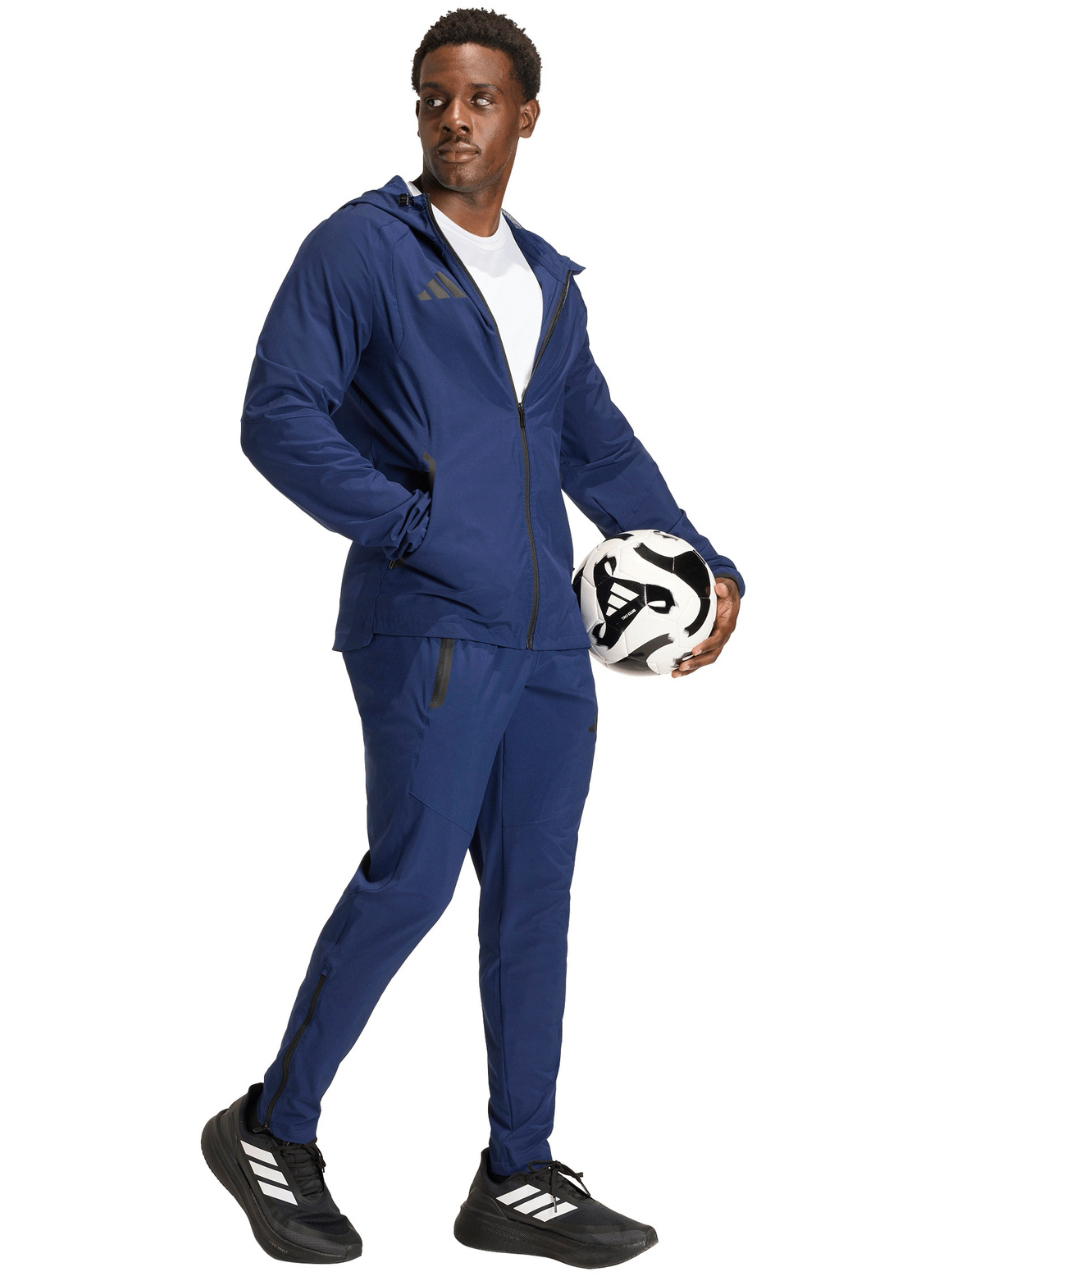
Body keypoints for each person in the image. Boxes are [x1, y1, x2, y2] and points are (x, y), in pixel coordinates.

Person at [202, 8, 744, 1268]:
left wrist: (701, 559)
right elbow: (276, 413)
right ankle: (271, 1125)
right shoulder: (361, 248)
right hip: (429, 623)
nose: (455, 118)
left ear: (525, 117)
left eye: (481, 98)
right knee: (413, 878)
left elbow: (596, 445)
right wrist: (413, 524)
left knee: (534, 896)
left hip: (551, 639)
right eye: (435, 97)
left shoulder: (546, 280)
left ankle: (516, 1168)